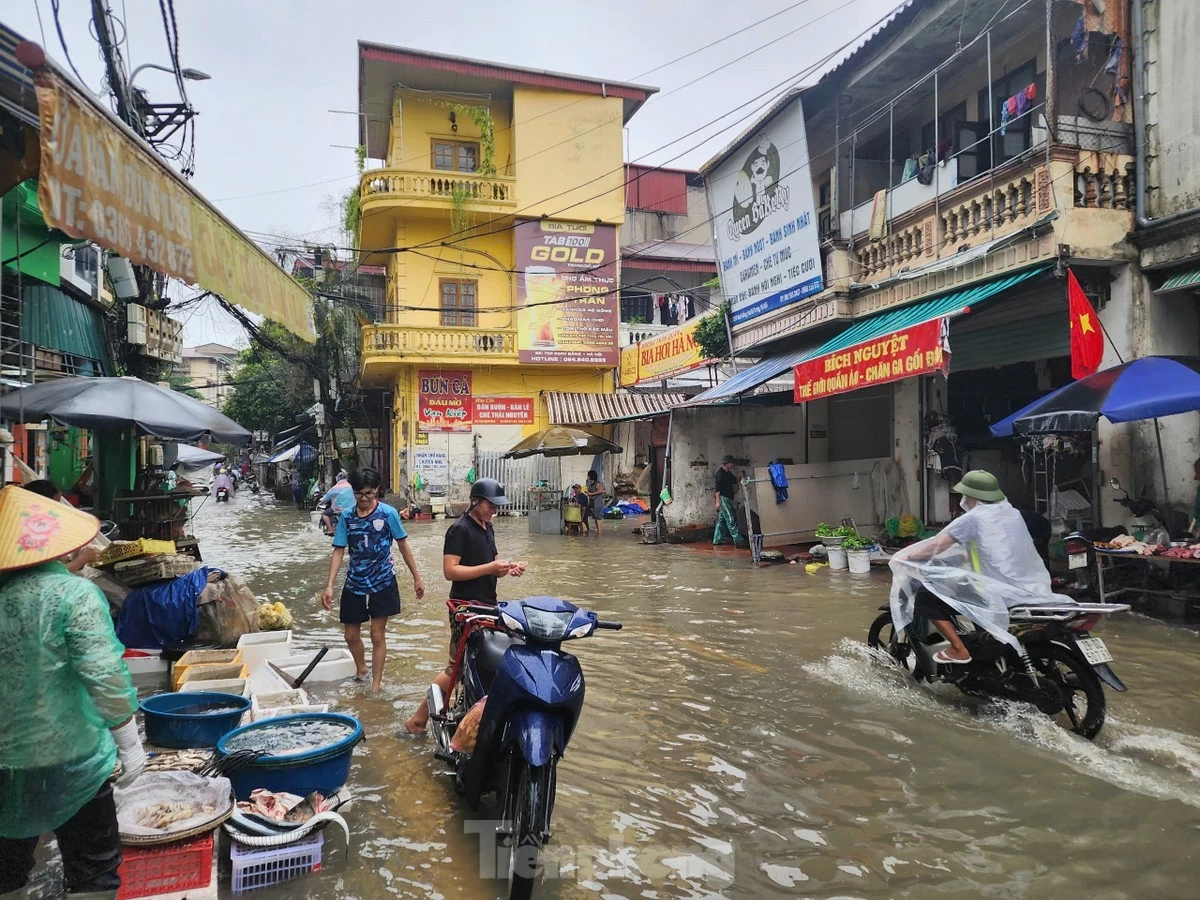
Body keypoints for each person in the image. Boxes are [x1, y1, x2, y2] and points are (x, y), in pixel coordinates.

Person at [0, 485, 146, 897]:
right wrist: (128, 739)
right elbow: (103, 673)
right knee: (93, 870)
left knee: (7, 870)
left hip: (5, 764)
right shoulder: (73, 594)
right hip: (72, 759)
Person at [889, 470, 1056, 664]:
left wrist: (907, 557)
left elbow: (936, 546)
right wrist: (963, 555)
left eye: (966, 496)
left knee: (926, 598)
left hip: (991, 587)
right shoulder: (1011, 514)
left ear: (974, 497)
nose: (964, 500)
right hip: (1024, 587)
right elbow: (995, 547)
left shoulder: (974, 518)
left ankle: (959, 649)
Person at [403, 477, 525, 733]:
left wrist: (506, 568)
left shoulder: (487, 527)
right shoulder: (460, 529)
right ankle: (417, 719)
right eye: (490, 505)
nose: (494, 510)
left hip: (487, 605)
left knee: (486, 663)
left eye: (496, 506)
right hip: (464, 609)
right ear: (474, 501)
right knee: (456, 668)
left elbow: (488, 563)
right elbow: (450, 571)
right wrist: (490, 568)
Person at [321, 467, 425, 691]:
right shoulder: (347, 517)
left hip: (383, 580)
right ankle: (361, 669)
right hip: (354, 581)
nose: (364, 499)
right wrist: (329, 585)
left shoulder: (388, 514)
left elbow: (403, 545)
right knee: (350, 635)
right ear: (353, 491)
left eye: (369, 493)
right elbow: (339, 549)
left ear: (377, 490)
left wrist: (417, 577)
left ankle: (376, 685)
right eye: (359, 494)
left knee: (377, 634)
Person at [21, 480, 98, 572]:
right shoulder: (28, 535)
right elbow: (48, 575)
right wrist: (81, 559)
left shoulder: (39, 528)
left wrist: (74, 560)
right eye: (55, 504)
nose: (58, 508)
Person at [713, 454, 745, 546]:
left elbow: (735, 480)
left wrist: (741, 476)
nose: (732, 465)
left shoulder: (727, 473)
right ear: (726, 463)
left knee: (722, 520)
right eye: (731, 463)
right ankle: (739, 541)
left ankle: (717, 539)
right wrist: (718, 502)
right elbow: (717, 489)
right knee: (731, 519)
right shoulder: (720, 474)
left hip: (728, 498)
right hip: (724, 498)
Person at [585, 469, 606, 536]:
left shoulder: (597, 483)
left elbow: (601, 490)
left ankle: (600, 532)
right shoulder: (590, 483)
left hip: (598, 502)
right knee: (595, 517)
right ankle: (598, 531)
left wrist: (591, 494)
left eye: (588, 475)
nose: (587, 477)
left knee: (598, 517)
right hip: (592, 502)